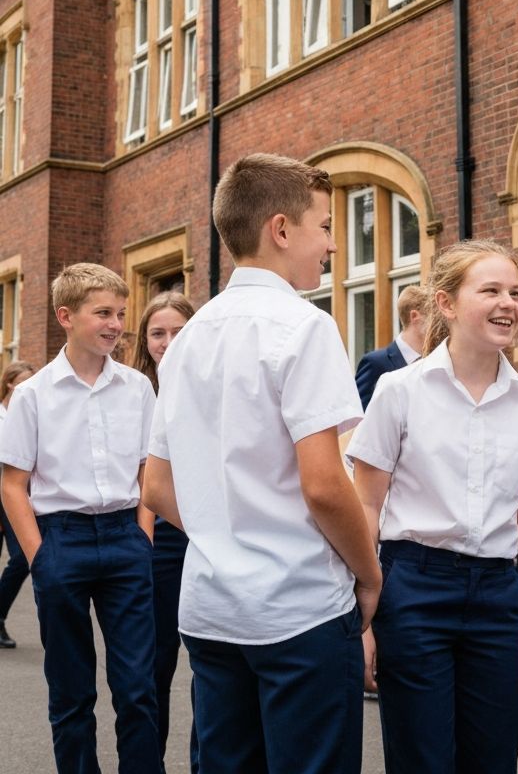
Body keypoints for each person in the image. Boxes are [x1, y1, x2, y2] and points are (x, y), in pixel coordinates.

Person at [142, 153, 381, 774]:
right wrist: (370, 573)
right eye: (324, 226)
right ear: (281, 229)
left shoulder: (186, 338)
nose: (331, 245)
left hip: (212, 607)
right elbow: (326, 485)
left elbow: (157, 485)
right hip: (297, 608)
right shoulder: (305, 327)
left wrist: (227, 528)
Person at [348, 239, 518, 774]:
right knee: (422, 760)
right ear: (445, 304)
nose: (508, 303)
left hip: (498, 597)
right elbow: (366, 508)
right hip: (413, 591)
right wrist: (363, 620)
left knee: (492, 761)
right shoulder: (398, 391)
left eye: (514, 292)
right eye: (489, 290)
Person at [0, 262, 161, 773]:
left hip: (123, 540)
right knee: (71, 694)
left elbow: (146, 472)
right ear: (65, 316)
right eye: (103, 313)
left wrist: (143, 535)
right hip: (61, 542)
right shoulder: (33, 395)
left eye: (120, 313)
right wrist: (39, 558)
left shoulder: (137, 388)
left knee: (138, 688)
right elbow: (12, 484)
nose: (115, 324)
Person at [133, 291, 197, 772]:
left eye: (178, 331)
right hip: (152, 538)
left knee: (212, 664)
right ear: (145, 339)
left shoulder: (205, 385)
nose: (168, 341)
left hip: (203, 533)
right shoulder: (133, 391)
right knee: (152, 667)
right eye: (158, 332)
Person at [0, 359, 35, 648]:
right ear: (10, 382)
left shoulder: (30, 413)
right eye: (23, 380)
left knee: (22, 558)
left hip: (17, 495)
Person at [355, 283, 429, 408]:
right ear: (415, 317)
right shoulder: (375, 363)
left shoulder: (432, 361)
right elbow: (359, 416)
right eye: (435, 318)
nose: (441, 325)